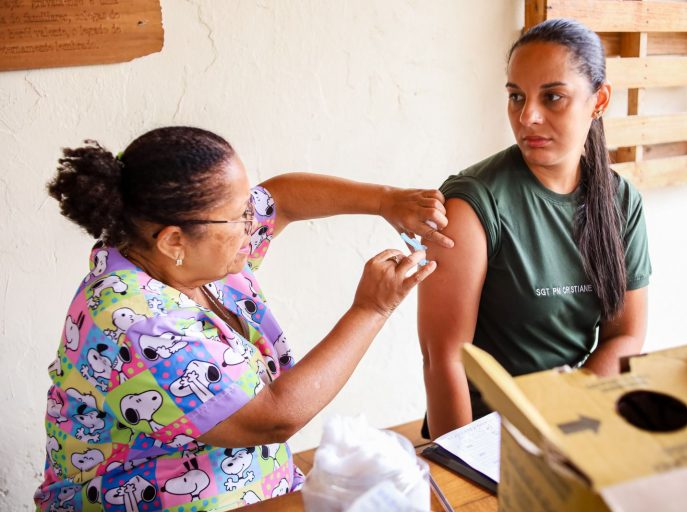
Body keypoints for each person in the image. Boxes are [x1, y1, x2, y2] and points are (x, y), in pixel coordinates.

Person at [35, 126, 453, 511]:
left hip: (255, 487)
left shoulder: (185, 256)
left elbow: (281, 199)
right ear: (174, 240)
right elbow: (271, 418)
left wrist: (385, 200)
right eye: (238, 216)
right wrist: (372, 309)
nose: (254, 222)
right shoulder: (138, 324)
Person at [418, 18, 651, 439]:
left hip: (575, 421)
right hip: (486, 435)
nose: (528, 116)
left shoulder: (621, 201)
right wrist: (460, 463)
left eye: (553, 97)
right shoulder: (472, 203)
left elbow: (626, 335)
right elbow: (444, 359)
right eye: (516, 97)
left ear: (599, 101)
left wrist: (565, 417)